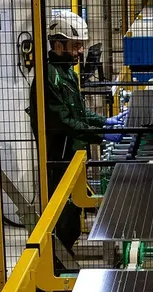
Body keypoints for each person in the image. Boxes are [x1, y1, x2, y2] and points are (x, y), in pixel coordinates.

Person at [30, 9, 125, 268]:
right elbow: (64, 123)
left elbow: (80, 113)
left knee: (73, 217)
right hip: (58, 160)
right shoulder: (49, 76)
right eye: (75, 46)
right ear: (58, 44)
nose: (80, 51)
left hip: (74, 157)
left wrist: (105, 121)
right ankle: (54, 275)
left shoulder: (68, 73)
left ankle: (61, 267)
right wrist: (101, 134)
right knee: (62, 221)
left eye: (81, 46)